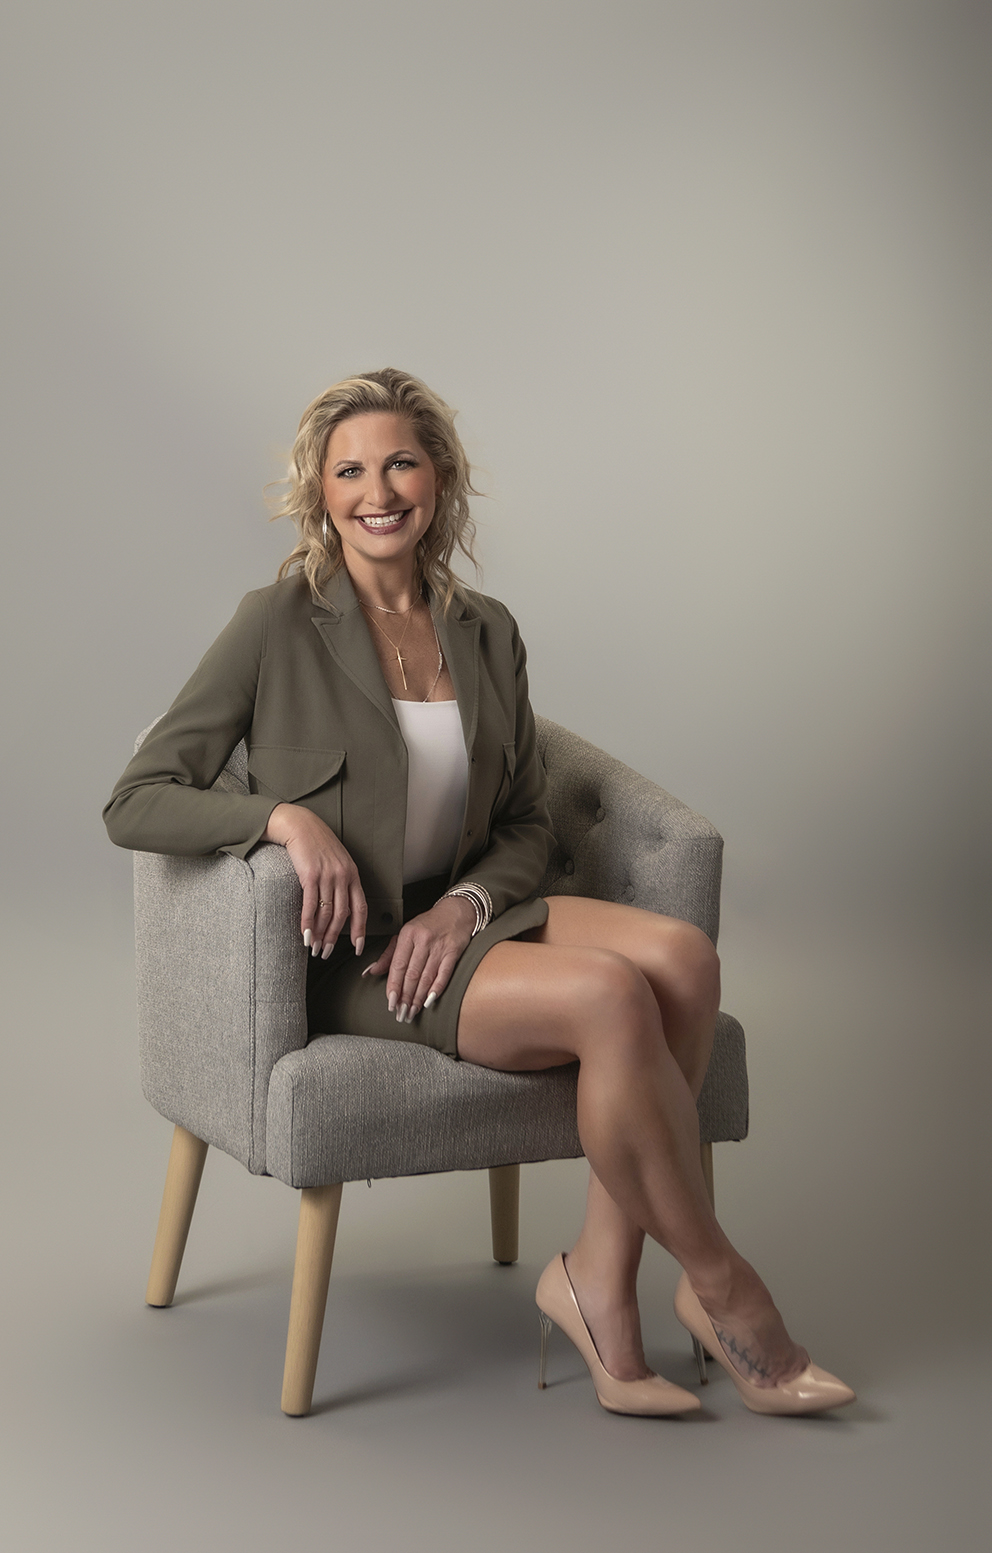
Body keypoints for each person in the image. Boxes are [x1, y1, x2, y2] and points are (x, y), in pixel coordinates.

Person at [104, 368, 854, 1417]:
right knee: (610, 996)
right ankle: (724, 1286)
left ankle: (596, 1277)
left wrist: (467, 907)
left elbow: (529, 824)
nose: (377, 491)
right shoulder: (274, 624)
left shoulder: (488, 631)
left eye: (400, 463)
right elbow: (136, 798)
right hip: (368, 955)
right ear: (320, 491)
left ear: (440, 479)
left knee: (686, 958)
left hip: (470, 917)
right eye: (350, 470)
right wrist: (284, 821)